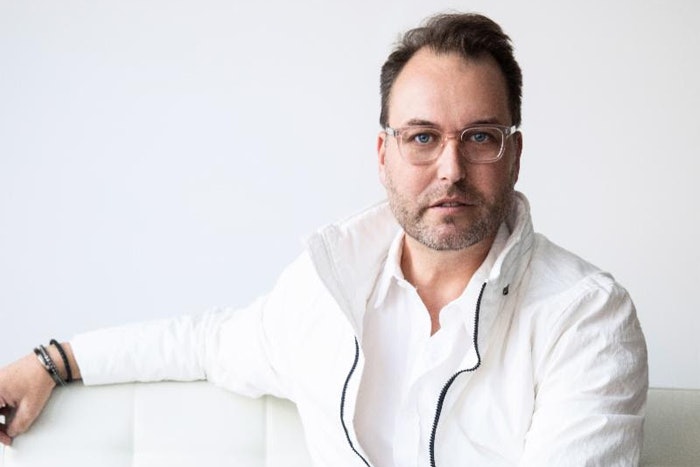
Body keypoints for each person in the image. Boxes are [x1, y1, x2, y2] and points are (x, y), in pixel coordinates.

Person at [0, 12, 647, 466]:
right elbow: (207, 342)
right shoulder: (327, 291)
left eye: (480, 137)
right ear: (384, 154)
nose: (450, 168)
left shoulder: (584, 316)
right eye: (422, 137)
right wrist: (52, 361)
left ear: (515, 154)